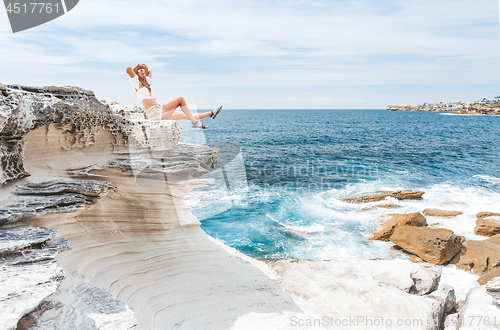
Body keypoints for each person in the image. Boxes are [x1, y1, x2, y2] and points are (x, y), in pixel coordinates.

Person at [126, 63, 222, 129]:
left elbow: (149, 71)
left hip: (158, 111)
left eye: (142, 69)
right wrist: (136, 70)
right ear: (136, 74)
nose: (142, 70)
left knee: (187, 115)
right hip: (154, 112)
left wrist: (143, 69)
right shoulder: (137, 84)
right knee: (180, 99)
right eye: (139, 70)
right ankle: (195, 123)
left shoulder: (147, 82)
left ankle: (210, 114)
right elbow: (128, 69)